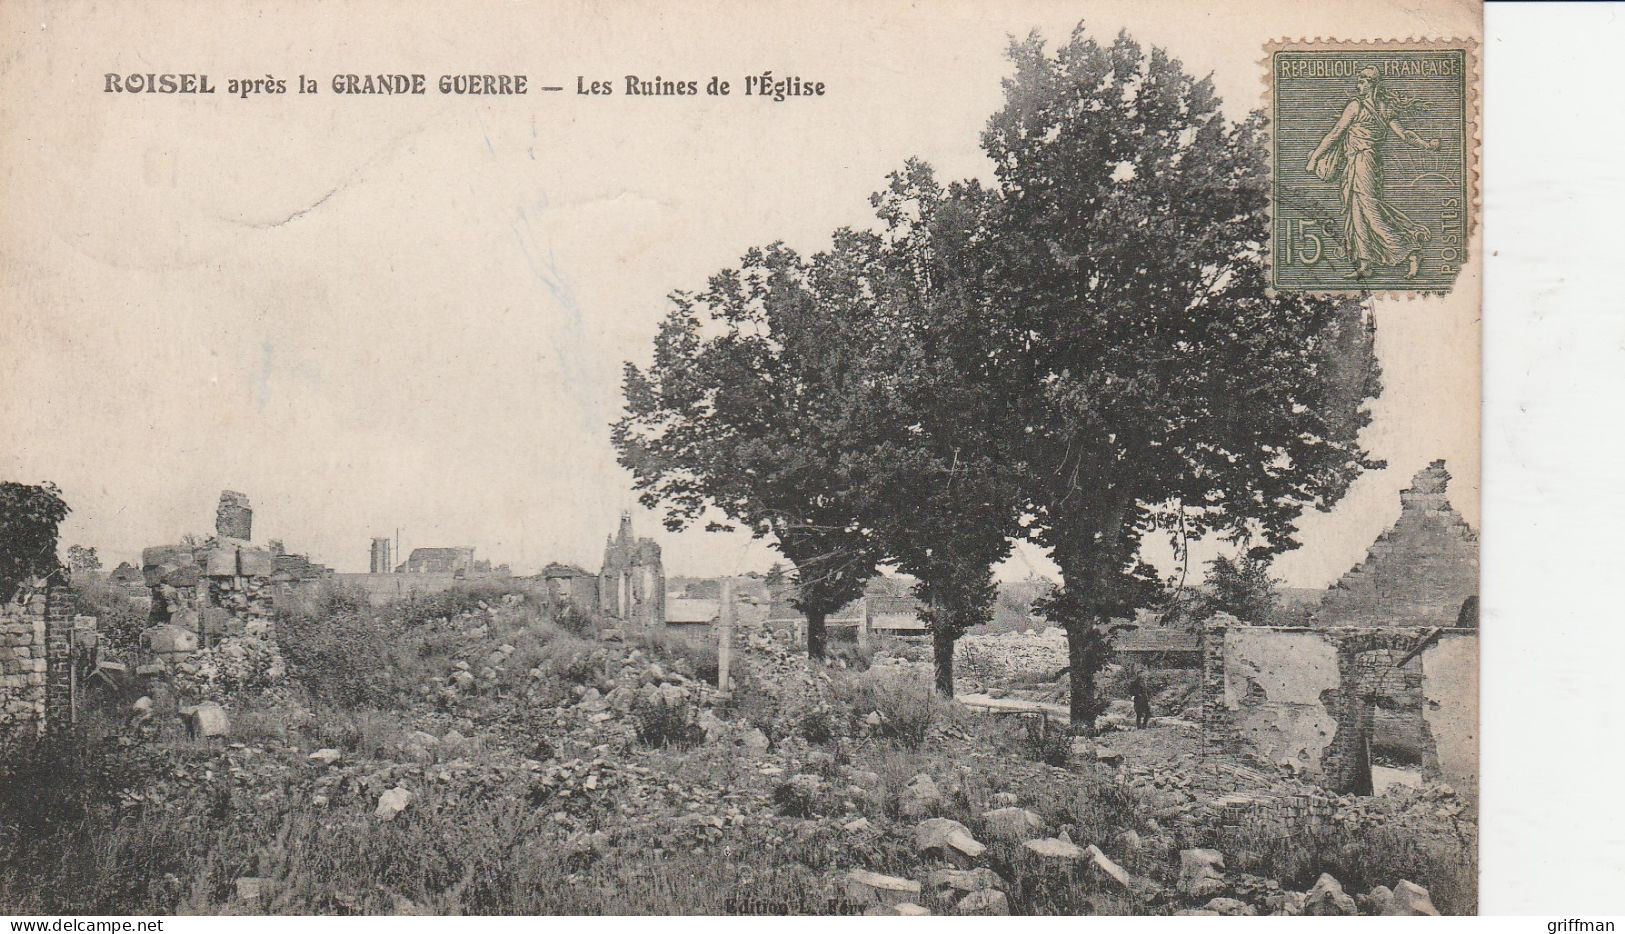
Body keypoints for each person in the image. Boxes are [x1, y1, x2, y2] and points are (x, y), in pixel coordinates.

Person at [1304, 66, 1442, 280]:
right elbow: (1405, 134)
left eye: (1362, 81)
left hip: (1363, 162)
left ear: (1372, 83)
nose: (1359, 85)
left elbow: (1335, 134)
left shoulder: (1357, 107)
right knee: (1357, 210)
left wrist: (1314, 158)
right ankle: (1365, 263)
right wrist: (1426, 144)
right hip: (1360, 163)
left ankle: (1410, 252)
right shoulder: (1381, 108)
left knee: (1370, 211)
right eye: (1359, 81)